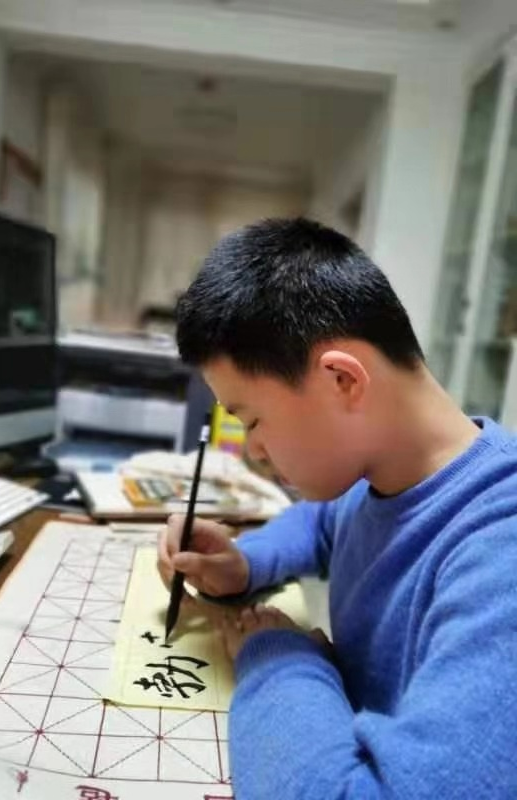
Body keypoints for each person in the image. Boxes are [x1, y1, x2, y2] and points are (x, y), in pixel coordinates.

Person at [157, 218, 517, 799]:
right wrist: (244, 564)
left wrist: (278, 657)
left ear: (342, 380)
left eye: (252, 420)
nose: (254, 449)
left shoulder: (501, 556)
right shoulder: (383, 472)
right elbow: (324, 523)